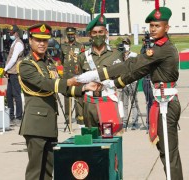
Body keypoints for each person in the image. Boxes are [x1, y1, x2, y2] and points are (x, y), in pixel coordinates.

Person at [77, 6, 183, 180]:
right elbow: (139, 72)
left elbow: (132, 65)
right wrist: (113, 83)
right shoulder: (158, 48)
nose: (153, 29)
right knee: (164, 151)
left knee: (169, 153)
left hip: (166, 104)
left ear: (167, 28)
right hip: (161, 101)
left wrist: (98, 74)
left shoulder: (162, 49)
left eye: (157, 26)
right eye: (151, 26)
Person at [17, 23, 100, 180]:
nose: (42, 44)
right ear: (30, 41)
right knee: (35, 172)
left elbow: (60, 87)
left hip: (49, 124)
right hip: (35, 125)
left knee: (48, 171)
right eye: (38, 40)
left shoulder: (48, 63)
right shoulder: (27, 65)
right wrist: (68, 82)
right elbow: (44, 84)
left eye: (45, 40)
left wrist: (84, 88)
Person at [77, 14, 124, 132]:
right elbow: (78, 83)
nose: (98, 35)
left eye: (101, 32)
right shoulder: (83, 56)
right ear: (90, 35)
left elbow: (122, 78)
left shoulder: (116, 54)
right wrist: (80, 113)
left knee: (108, 139)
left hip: (108, 101)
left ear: (106, 32)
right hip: (89, 104)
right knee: (91, 140)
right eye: (94, 33)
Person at [61, 27, 85, 126]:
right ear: (67, 35)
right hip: (67, 75)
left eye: (72, 34)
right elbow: (62, 60)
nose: (71, 36)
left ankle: (80, 118)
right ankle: (68, 118)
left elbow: (83, 59)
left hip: (77, 74)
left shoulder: (80, 46)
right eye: (69, 34)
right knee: (67, 97)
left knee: (79, 96)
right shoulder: (63, 46)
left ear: (75, 35)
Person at [3, 25, 24, 125]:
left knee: (16, 94)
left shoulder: (19, 43)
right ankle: (11, 116)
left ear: (16, 33)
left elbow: (14, 58)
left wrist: (5, 69)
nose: (9, 34)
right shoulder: (14, 43)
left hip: (15, 72)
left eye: (11, 33)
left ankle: (19, 116)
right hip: (11, 72)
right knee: (9, 94)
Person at [119, 38, 139, 130]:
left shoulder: (134, 55)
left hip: (132, 82)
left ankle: (134, 122)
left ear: (129, 45)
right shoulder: (120, 56)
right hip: (123, 82)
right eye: (123, 43)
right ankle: (125, 122)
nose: (125, 45)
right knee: (124, 104)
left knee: (134, 103)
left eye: (126, 43)